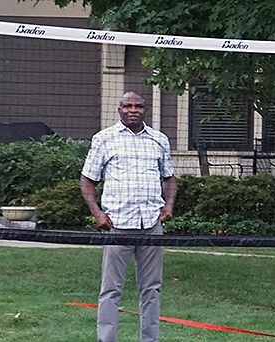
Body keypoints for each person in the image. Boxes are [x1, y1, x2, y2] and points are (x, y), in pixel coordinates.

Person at [81, 91, 178, 342]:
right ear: (119, 109)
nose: (133, 110)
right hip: (117, 226)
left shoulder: (159, 139)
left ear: (145, 110)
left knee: (152, 289)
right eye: (128, 106)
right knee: (111, 290)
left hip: (151, 226)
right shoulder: (104, 139)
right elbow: (87, 180)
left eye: (138, 106)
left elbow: (169, 178)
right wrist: (97, 213)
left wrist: (168, 206)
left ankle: (150, 339)